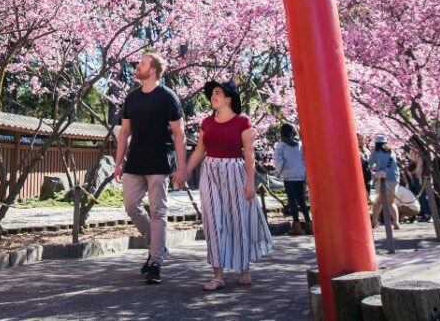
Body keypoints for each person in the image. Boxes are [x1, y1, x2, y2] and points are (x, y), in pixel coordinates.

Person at [185, 80, 273, 291]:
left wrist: (250, 182)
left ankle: (244, 269)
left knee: (237, 218)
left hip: (235, 171)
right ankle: (218, 275)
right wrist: (185, 171)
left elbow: (249, 155)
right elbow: (199, 150)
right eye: (212, 93)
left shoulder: (243, 122)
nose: (213, 96)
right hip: (210, 171)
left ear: (228, 98)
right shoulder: (206, 122)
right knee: (213, 220)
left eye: (217, 93)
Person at [114, 52, 186, 285]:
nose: (138, 66)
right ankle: (157, 245)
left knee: (158, 211)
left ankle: (155, 261)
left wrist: (182, 168)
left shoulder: (168, 97)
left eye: (142, 63)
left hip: (159, 162)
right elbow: (124, 132)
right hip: (134, 162)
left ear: (153, 69)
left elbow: (179, 134)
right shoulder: (132, 98)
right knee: (130, 206)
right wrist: (118, 162)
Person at [274, 123, 311, 235]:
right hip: (300, 175)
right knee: (302, 201)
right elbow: (304, 160)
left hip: (288, 176)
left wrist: (279, 172)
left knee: (292, 201)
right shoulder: (299, 145)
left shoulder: (280, 146)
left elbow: (278, 162)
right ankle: (309, 224)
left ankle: (296, 225)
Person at [369, 135, 400, 229]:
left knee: (378, 201)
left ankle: (374, 222)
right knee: (391, 203)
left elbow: (370, 163)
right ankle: (396, 222)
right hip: (393, 178)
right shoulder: (392, 152)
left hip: (381, 179)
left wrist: (374, 171)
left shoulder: (376, 152)